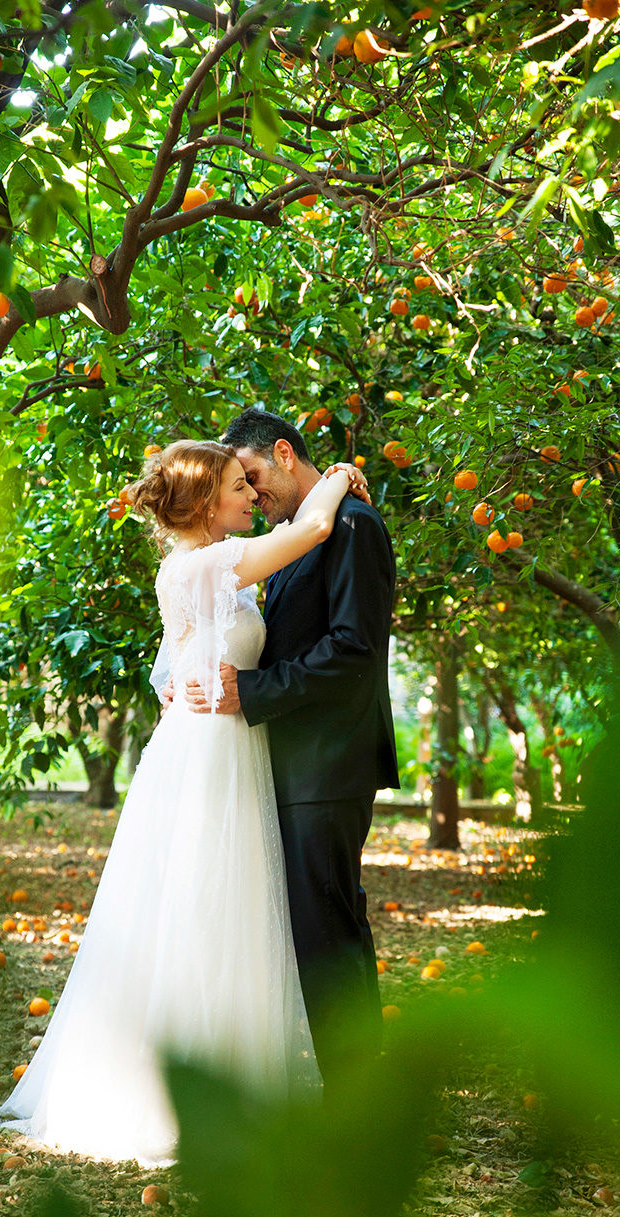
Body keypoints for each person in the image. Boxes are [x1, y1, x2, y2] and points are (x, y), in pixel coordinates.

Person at [0, 440, 366, 1166]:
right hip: (209, 752)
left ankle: (220, 1080)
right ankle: (184, 1093)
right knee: (203, 902)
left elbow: (173, 658)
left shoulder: (195, 570)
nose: (253, 496)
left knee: (217, 904)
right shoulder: (210, 563)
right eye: (238, 486)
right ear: (203, 504)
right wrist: (340, 477)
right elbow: (313, 529)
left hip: (213, 739)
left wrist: (178, 682)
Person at [183, 409, 399, 1091]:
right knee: (317, 925)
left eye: (250, 477)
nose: (250, 494)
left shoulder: (354, 528)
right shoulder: (291, 536)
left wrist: (252, 691)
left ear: (282, 451)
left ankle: (360, 1094)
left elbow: (353, 648)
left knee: (327, 927)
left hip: (328, 764)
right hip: (293, 762)